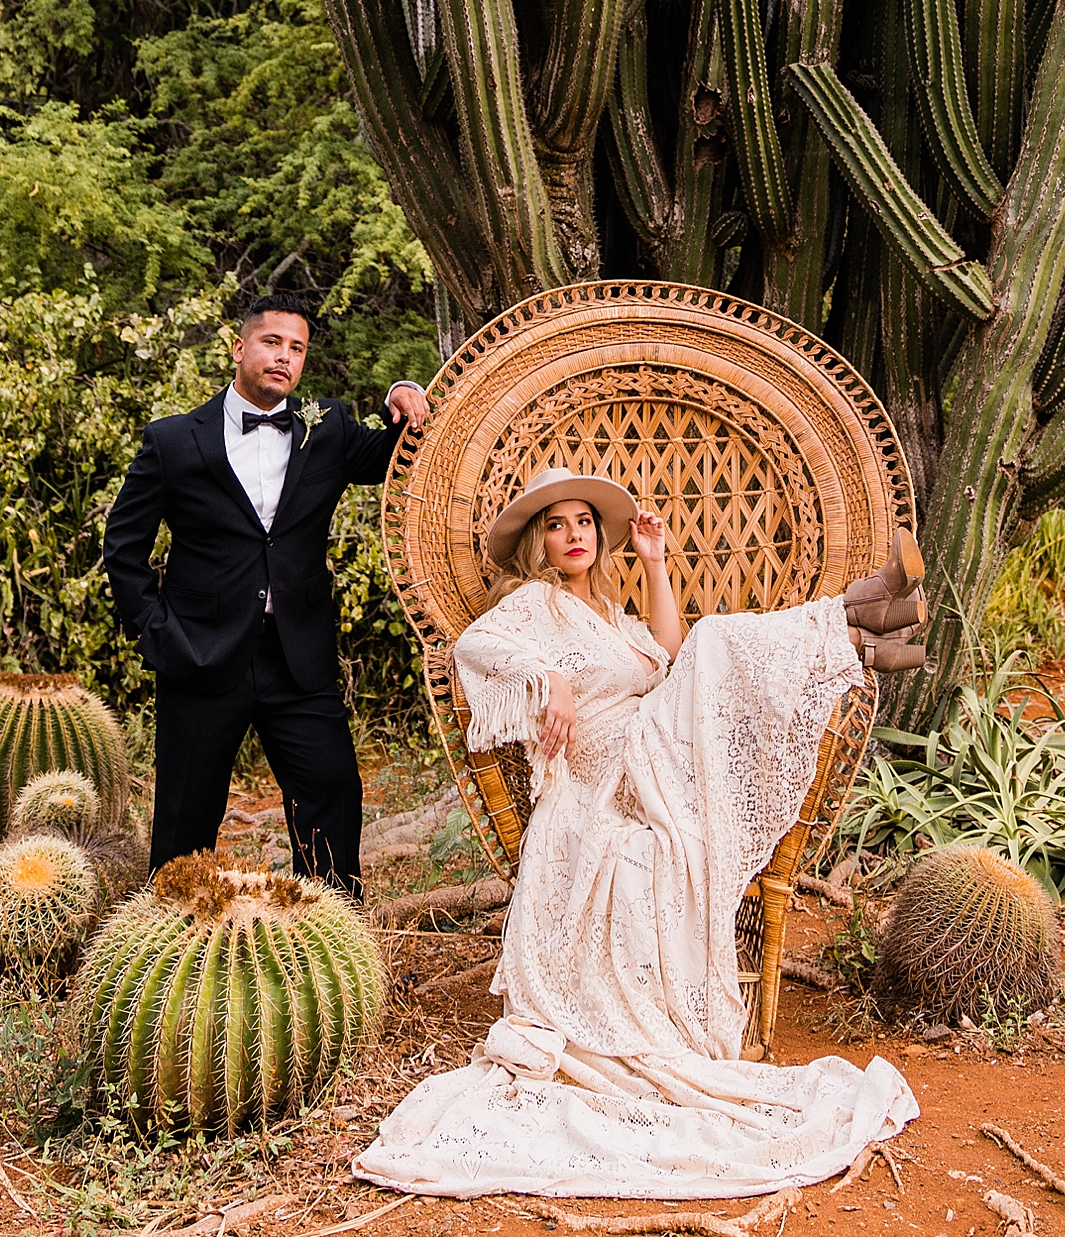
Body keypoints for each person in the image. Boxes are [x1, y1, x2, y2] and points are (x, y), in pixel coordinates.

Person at [355, 467, 927, 1202]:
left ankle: (865, 630)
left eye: (585, 523)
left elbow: (666, 655)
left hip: (651, 755)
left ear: (600, 536)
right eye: (557, 525)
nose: (574, 535)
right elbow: (477, 646)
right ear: (539, 543)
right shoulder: (534, 605)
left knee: (705, 650)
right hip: (600, 774)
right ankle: (864, 624)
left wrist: (656, 563)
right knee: (718, 643)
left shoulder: (615, 617)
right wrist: (548, 680)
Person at [102, 290, 428, 891]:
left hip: (298, 659)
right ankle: (174, 963)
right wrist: (160, 635)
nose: (284, 357)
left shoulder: (324, 429)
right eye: (272, 342)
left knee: (332, 797)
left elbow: (400, 454)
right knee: (184, 819)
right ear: (239, 347)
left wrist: (398, 395)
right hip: (200, 657)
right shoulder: (174, 441)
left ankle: (327, 958)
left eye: (297, 348)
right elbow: (123, 549)